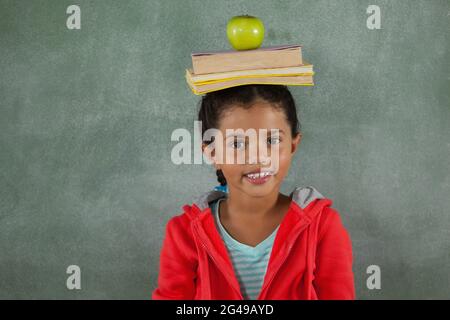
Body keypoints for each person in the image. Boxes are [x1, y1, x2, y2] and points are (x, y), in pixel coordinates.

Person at [152, 84, 355, 300]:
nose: (259, 157)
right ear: (212, 153)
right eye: (237, 144)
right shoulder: (184, 233)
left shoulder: (323, 227)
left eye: (272, 140)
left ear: (293, 145)